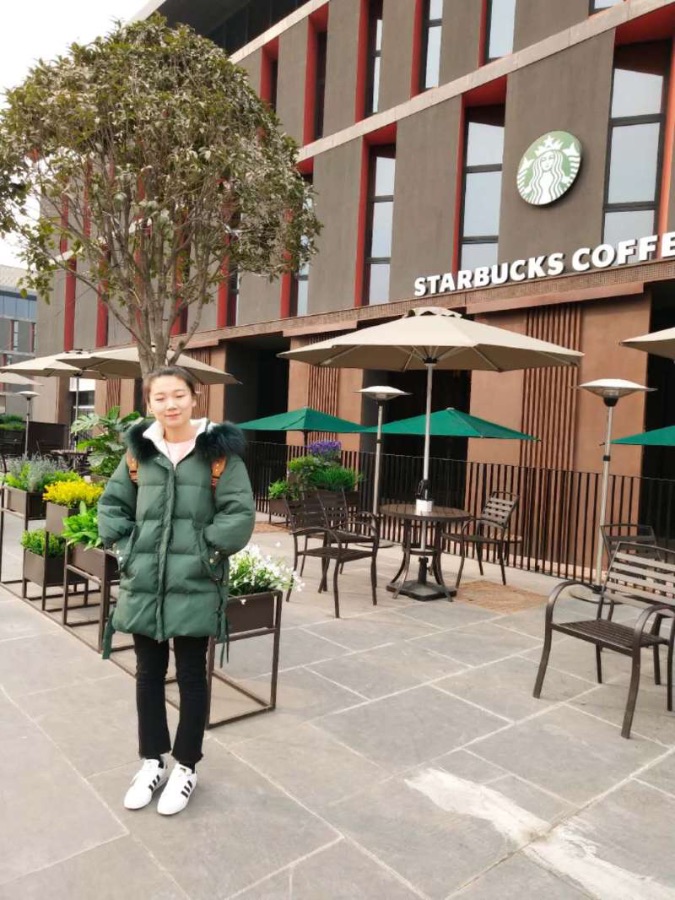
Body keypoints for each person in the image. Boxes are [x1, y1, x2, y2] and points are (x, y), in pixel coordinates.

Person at [97, 366, 255, 815]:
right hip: (144, 582)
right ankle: (152, 760)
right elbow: (111, 505)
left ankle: (186, 766)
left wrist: (205, 553)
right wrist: (128, 549)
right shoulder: (138, 453)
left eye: (178, 395)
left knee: (190, 675)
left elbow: (239, 514)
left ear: (194, 398)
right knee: (147, 673)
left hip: (195, 583)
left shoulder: (220, 455)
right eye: (160, 397)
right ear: (149, 404)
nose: (170, 405)